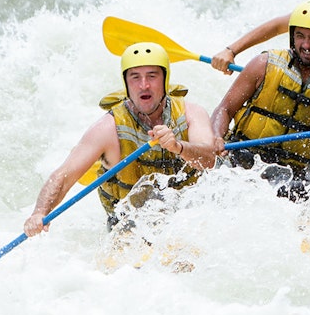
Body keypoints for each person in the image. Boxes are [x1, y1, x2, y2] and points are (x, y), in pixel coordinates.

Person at [23, 42, 216, 237]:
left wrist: (178, 147)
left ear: (165, 79)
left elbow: (210, 161)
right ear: (126, 83)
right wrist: (40, 212)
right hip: (128, 229)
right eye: (135, 77)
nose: (144, 85)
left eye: (152, 76)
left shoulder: (192, 114)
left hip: (187, 220)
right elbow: (64, 176)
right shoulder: (108, 129)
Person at [210, 0, 310, 184]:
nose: (306, 45)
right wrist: (215, 136)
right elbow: (225, 109)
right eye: (300, 36)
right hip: (243, 162)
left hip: (294, 177)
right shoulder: (263, 64)